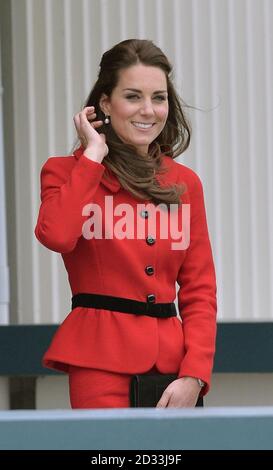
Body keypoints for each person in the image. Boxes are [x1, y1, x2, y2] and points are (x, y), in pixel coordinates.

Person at [35, 39, 217, 409]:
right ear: (106, 103)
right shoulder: (66, 172)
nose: (148, 110)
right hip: (98, 363)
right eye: (133, 96)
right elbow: (56, 235)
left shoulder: (185, 183)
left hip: (174, 373)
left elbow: (200, 288)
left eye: (159, 97)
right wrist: (92, 158)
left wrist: (194, 374)